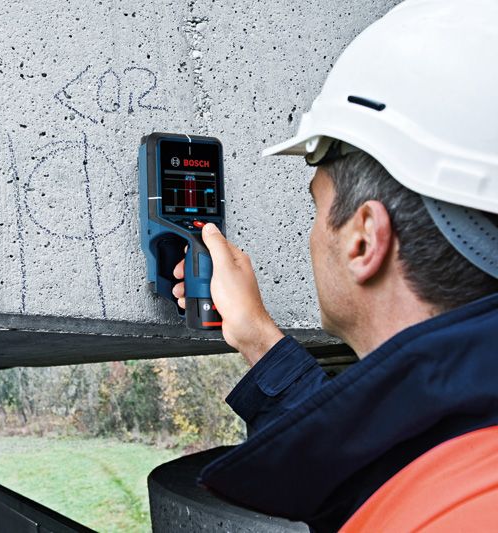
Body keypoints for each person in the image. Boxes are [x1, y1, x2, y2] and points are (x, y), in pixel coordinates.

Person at [171, 1, 498, 531]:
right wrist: (258, 340)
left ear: (365, 239)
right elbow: (387, 453)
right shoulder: (461, 450)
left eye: (317, 208)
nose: (310, 235)